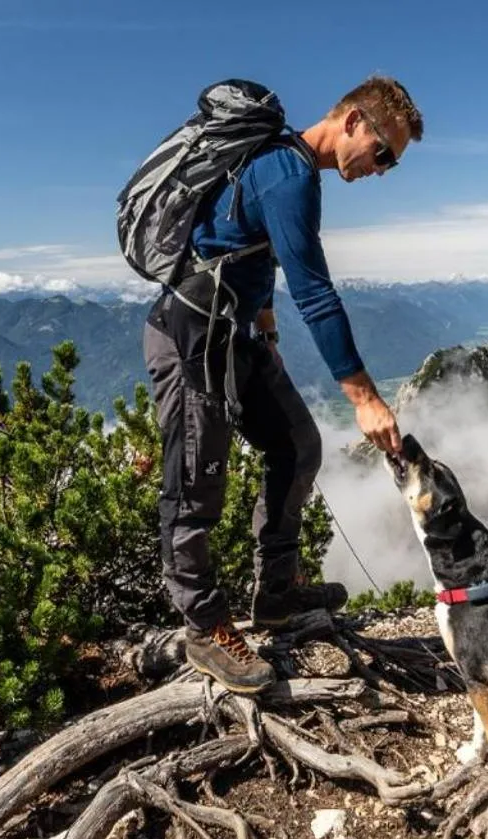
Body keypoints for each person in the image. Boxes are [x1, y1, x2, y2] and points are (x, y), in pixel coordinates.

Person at [142, 74, 422, 693]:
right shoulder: (289, 175)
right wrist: (364, 397)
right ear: (352, 121)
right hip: (190, 339)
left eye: (392, 164)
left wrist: (264, 322)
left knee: (297, 444)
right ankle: (204, 628)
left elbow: (245, 245)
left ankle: (276, 592)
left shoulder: (282, 171)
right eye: (384, 153)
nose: (381, 170)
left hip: (236, 335)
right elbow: (317, 294)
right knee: (195, 486)